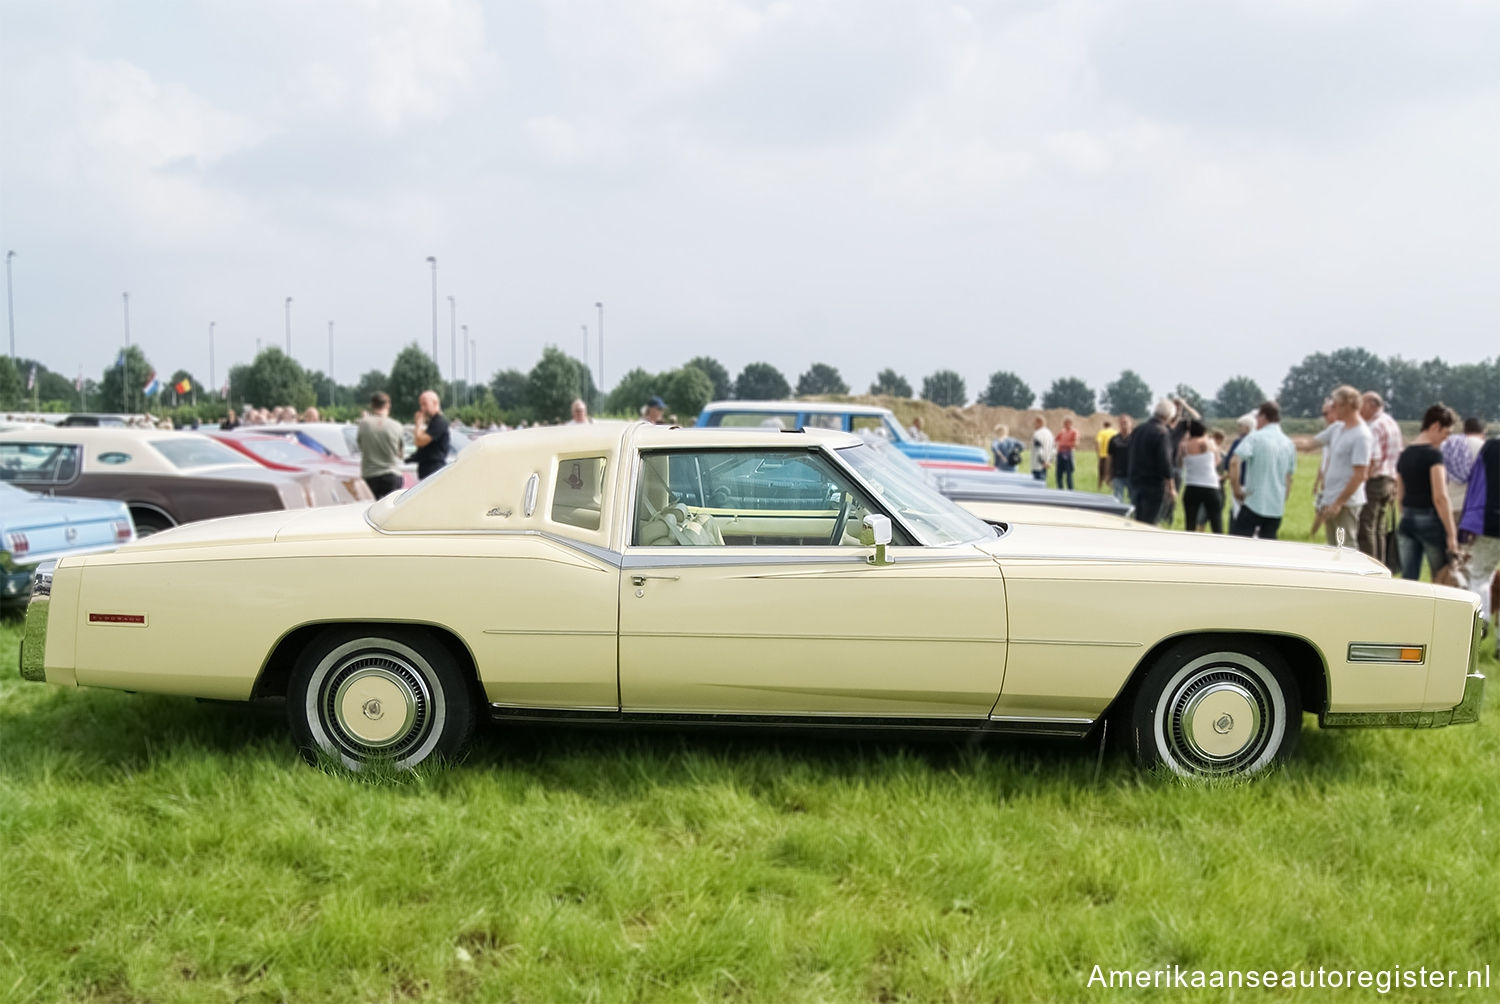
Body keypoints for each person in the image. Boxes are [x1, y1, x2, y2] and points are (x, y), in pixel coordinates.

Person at [1394, 405, 1458, 580]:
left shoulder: (1404, 454)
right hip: (1430, 520)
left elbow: (1399, 495)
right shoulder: (1434, 456)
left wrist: (1406, 516)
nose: (1445, 439)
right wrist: (1452, 535)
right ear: (1436, 426)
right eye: (1446, 433)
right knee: (1441, 578)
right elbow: (1440, 497)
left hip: (1406, 519)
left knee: (1408, 579)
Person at [1228, 401, 1297, 540]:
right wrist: (1283, 498)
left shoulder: (1254, 437)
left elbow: (1234, 461)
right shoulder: (1289, 443)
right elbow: (1288, 477)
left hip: (1254, 501)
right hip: (1276, 505)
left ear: (1263, 417)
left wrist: (1236, 489)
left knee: (1239, 544)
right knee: (1268, 548)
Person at [1314, 385, 1372, 547]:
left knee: (1345, 547)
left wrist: (1339, 502)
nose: (1332, 409)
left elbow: (1360, 475)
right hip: (1330, 499)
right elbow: (1310, 444)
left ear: (1348, 405)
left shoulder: (1362, 435)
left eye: (1335, 405)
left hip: (1346, 503)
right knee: (1333, 547)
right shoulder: (1337, 428)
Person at [1457, 436, 1500, 648]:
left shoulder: (1491, 448)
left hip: (1490, 522)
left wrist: (1468, 520)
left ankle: (1479, 627)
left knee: (1481, 576)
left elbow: (1476, 485)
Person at [1358, 392, 1403, 562]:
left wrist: (1362, 480)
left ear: (1370, 405)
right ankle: (1381, 562)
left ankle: (1369, 563)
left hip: (1375, 480)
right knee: (1379, 527)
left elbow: (1374, 459)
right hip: (1389, 479)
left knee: (1366, 526)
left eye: (1361, 404)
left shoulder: (1373, 427)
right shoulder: (1391, 423)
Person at [1128, 400, 1176, 524]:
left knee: (1138, 521)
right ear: (1169, 416)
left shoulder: (1138, 429)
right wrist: (1171, 487)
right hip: (1153, 485)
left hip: (1135, 481)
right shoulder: (1162, 433)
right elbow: (1165, 462)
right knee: (1150, 523)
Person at [357, 391, 405, 498]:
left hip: (369, 476)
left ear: (372, 405)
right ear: (388, 405)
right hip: (391, 475)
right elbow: (400, 454)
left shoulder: (364, 424)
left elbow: (361, 446)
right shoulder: (397, 426)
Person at [1180, 420, 1223, 533]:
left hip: (1191, 485)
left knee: (1190, 524)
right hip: (1210, 486)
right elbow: (1217, 460)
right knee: (1216, 522)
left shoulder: (1184, 445)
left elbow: (1180, 463)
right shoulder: (1209, 443)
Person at [1442, 417, 1485, 519]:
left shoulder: (1449, 445)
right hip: (1475, 505)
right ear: (1483, 432)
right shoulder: (1485, 447)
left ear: (1464, 430)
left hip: (1450, 504)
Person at [411, 390, 451, 480]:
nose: (422, 408)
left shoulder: (439, 422)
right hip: (428, 471)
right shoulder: (432, 423)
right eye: (421, 405)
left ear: (435, 403)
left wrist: (418, 424)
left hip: (434, 471)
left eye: (425, 404)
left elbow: (419, 441)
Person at [1107, 415, 1133, 504]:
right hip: (1118, 474)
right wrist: (1108, 474)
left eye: (1126, 423)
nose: (1123, 425)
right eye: (1121, 423)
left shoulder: (1135, 439)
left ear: (1130, 424)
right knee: (1118, 500)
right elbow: (1109, 458)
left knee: (1133, 499)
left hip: (1132, 475)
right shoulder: (1114, 440)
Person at [1054, 417, 1079, 490]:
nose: (1065, 425)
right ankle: (1060, 489)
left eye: (1067, 423)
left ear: (1071, 423)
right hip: (1060, 454)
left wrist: (1063, 444)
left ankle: (1070, 490)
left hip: (1068, 454)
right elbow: (1055, 440)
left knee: (1068, 474)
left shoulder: (1074, 432)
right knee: (1058, 474)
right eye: (1064, 423)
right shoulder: (1062, 432)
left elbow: (1075, 443)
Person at [1029, 416, 1055, 483]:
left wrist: (1043, 462)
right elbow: (1053, 449)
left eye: (1034, 423)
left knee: (1036, 486)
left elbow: (1038, 450)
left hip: (1038, 464)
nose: (1033, 425)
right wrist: (1049, 461)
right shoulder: (1049, 433)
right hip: (1046, 464)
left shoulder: (1038, 434)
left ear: (1039, 423)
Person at [1095, 420, 1116, 488]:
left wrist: (1098, 453)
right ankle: (1111, 486)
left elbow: (1098, 443)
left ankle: (1099, 486)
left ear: (1104, 426)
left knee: (1101, 472)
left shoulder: (1101, 432)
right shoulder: (1115, 432)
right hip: (1112, 456)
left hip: (1103, 455)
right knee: (1110, 472)